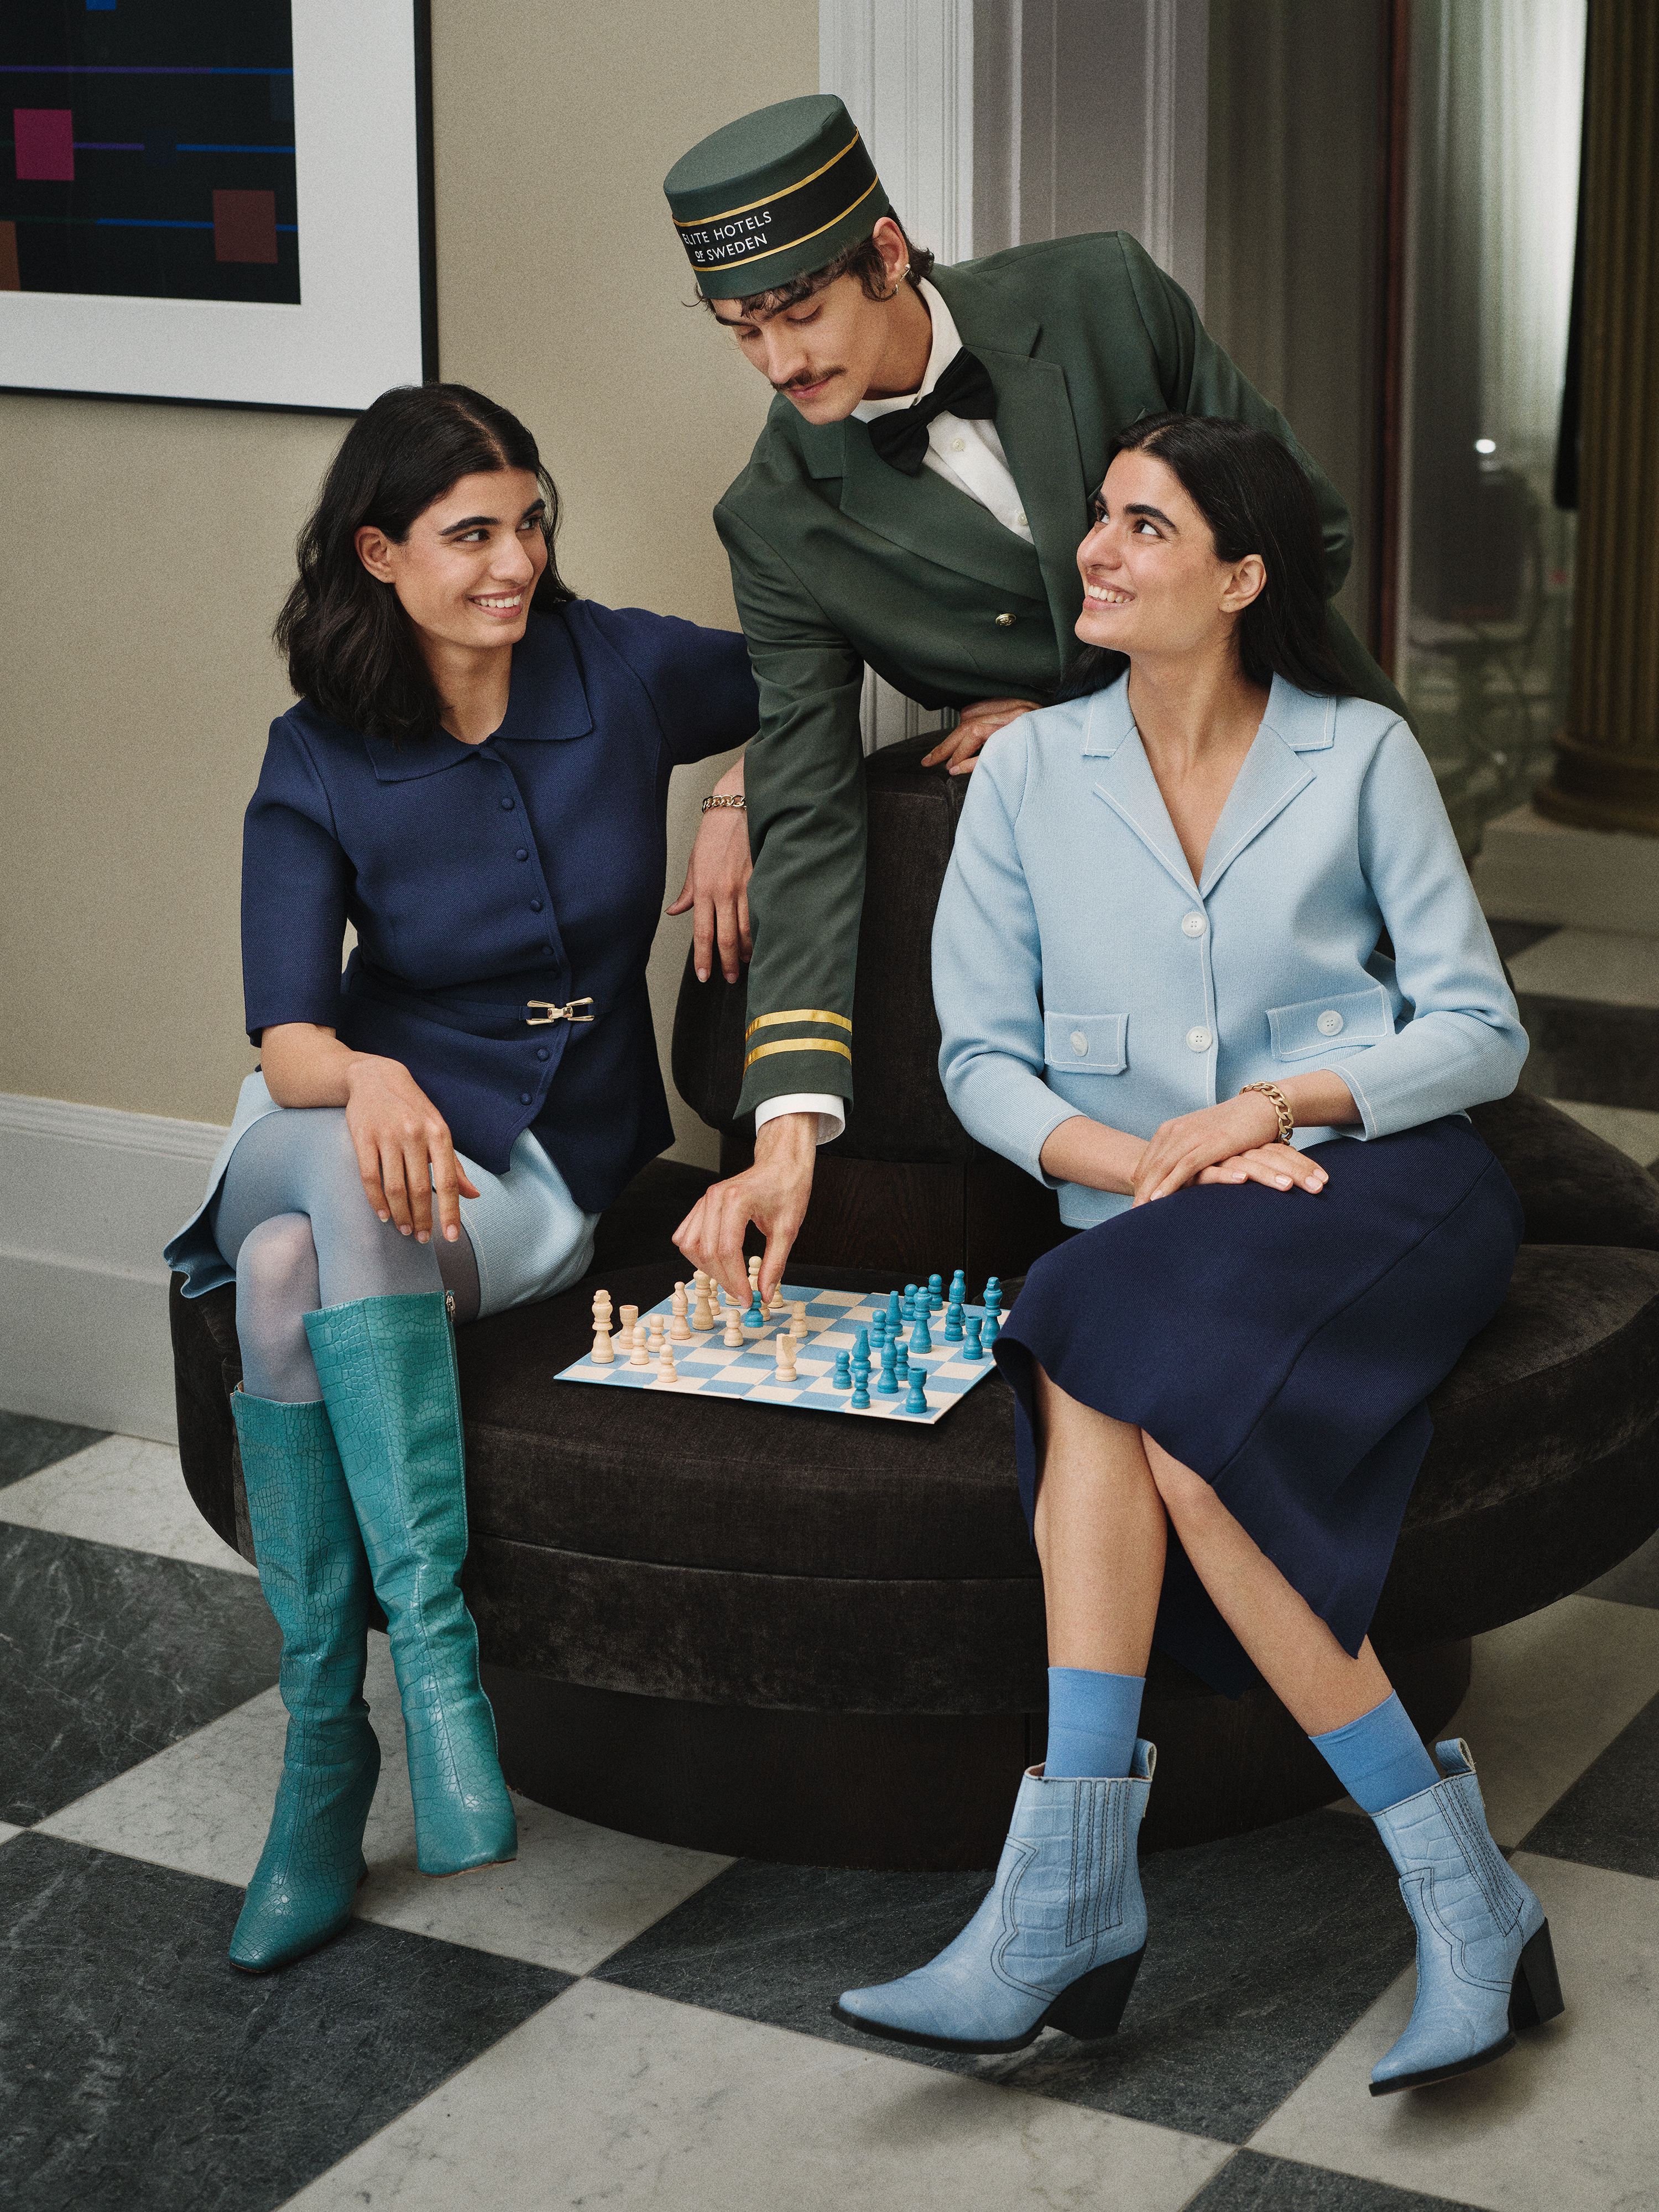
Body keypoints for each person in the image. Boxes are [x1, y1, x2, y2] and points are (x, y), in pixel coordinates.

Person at [831, 414, 1564, 2096]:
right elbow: (981, 1065)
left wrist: (1270, 1109)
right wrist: (1159, 1160)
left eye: (1145, 526)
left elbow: (1478, 1031)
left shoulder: (1358, 753)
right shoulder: (1024, 773)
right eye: (1101, 517)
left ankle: (1075, 1909)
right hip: (1157, 1224)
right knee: (1111, 1324)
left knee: (1102, 1340)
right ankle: (1457, 1896)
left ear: (1240, 578)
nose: (1098, 547)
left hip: (1377, 1185)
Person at [164, 383, 759, 1973]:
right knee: (333, 1181)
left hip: (539, 1169)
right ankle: (433, 1682)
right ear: (380, 553)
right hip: (328, 1127)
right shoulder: (318, 755)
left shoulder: (619, 669)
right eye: (472, 532)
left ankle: (325, 1758)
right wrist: (373, 1075)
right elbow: (292, 1040)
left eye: (531, 520)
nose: (516, 561)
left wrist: (740, 795)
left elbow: (810, 672)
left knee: (287, 1274)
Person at [658, 93, 1412, 1311]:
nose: (780, 362)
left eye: (801, 312)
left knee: (1389, 1161)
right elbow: (808, 794)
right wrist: (784, 1127)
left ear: (888, 256)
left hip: (1302, 791)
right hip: (1119, 932)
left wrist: (1085, 702)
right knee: (1189, 1268)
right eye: (744, 331)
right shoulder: (776, 514)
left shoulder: (1107, 295)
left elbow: (1304, 527)